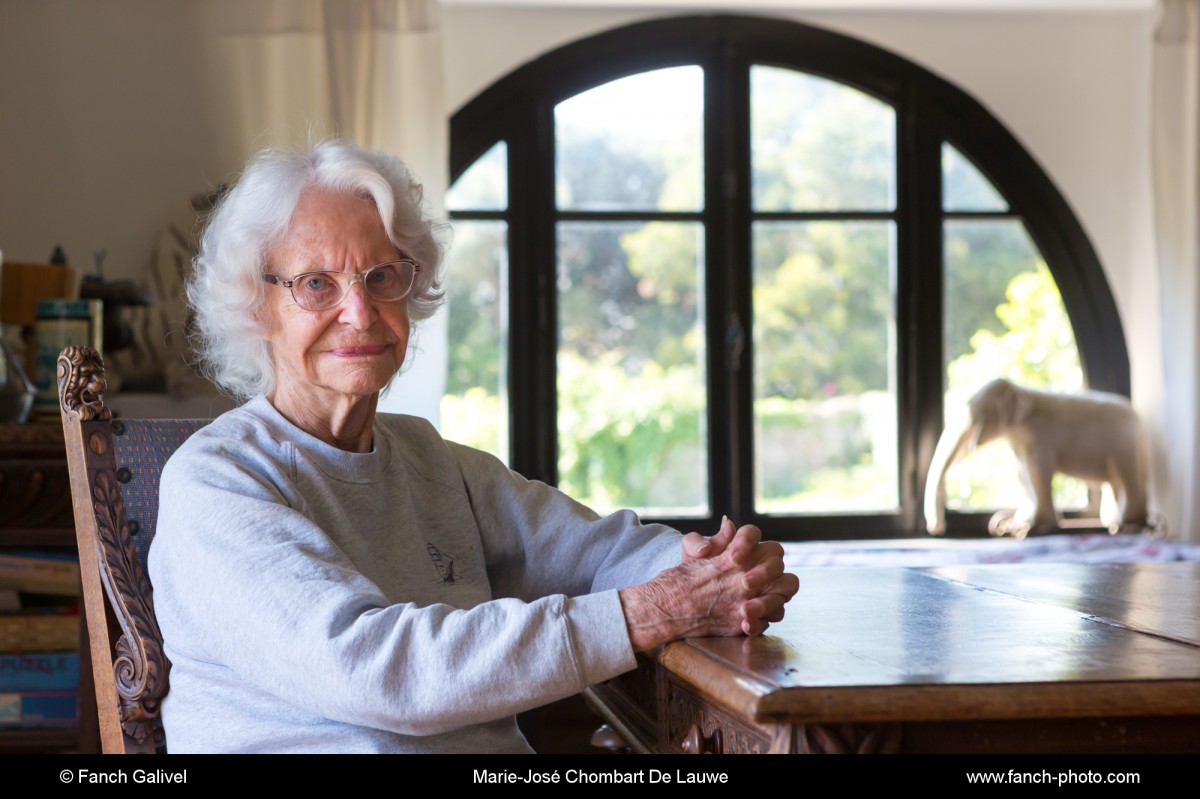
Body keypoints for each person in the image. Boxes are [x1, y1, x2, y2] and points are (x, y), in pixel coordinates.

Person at [148, 140, 799, 754]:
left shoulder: (430, 459)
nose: (361, 312)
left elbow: (601, 553)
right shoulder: (216, 481)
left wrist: (717, 566)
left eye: (381, 276)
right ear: (256, 307)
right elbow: (378, 670)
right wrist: (652, 611)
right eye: (317, 284)